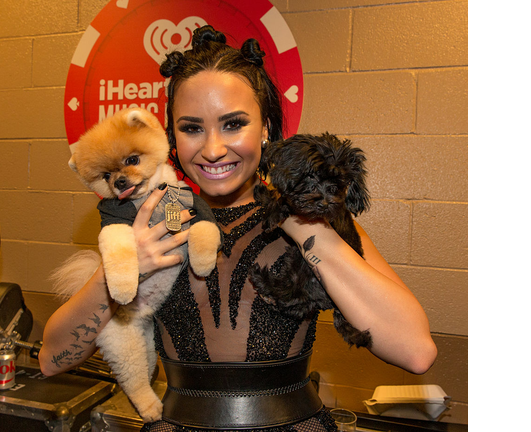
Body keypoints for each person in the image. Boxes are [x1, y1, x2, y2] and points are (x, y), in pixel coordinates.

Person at [40, 25, 437, 432]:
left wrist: (308, 231)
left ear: (265, 128)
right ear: (171, 137)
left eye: (233, 124)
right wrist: (119, 273)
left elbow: (416, 352)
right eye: (192, 128)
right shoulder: (164, 215)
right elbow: (53, 360)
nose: (212, 149)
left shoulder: (310, 217)